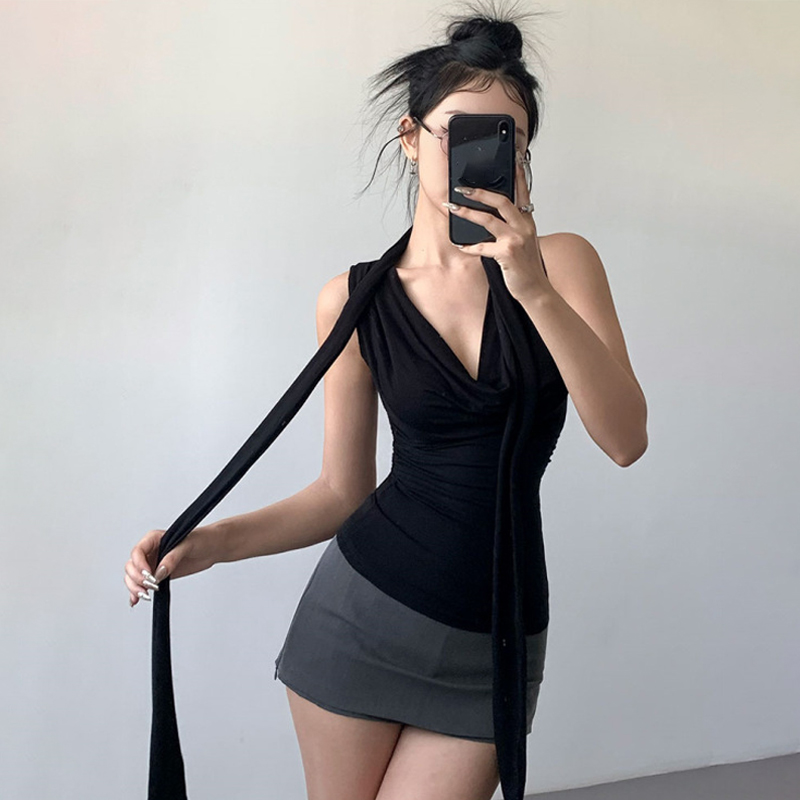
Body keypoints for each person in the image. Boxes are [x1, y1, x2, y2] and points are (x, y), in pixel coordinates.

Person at [124, 6, 647, 800]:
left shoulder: (563, 265)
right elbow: (341, 492)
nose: (484, 155)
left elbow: (625, 438)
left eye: (507, 139)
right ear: (410, 137)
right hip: (361, 619)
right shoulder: (354, 300)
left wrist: (531, 287)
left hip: (495, 637)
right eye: (460, 133)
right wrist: (209, 543)